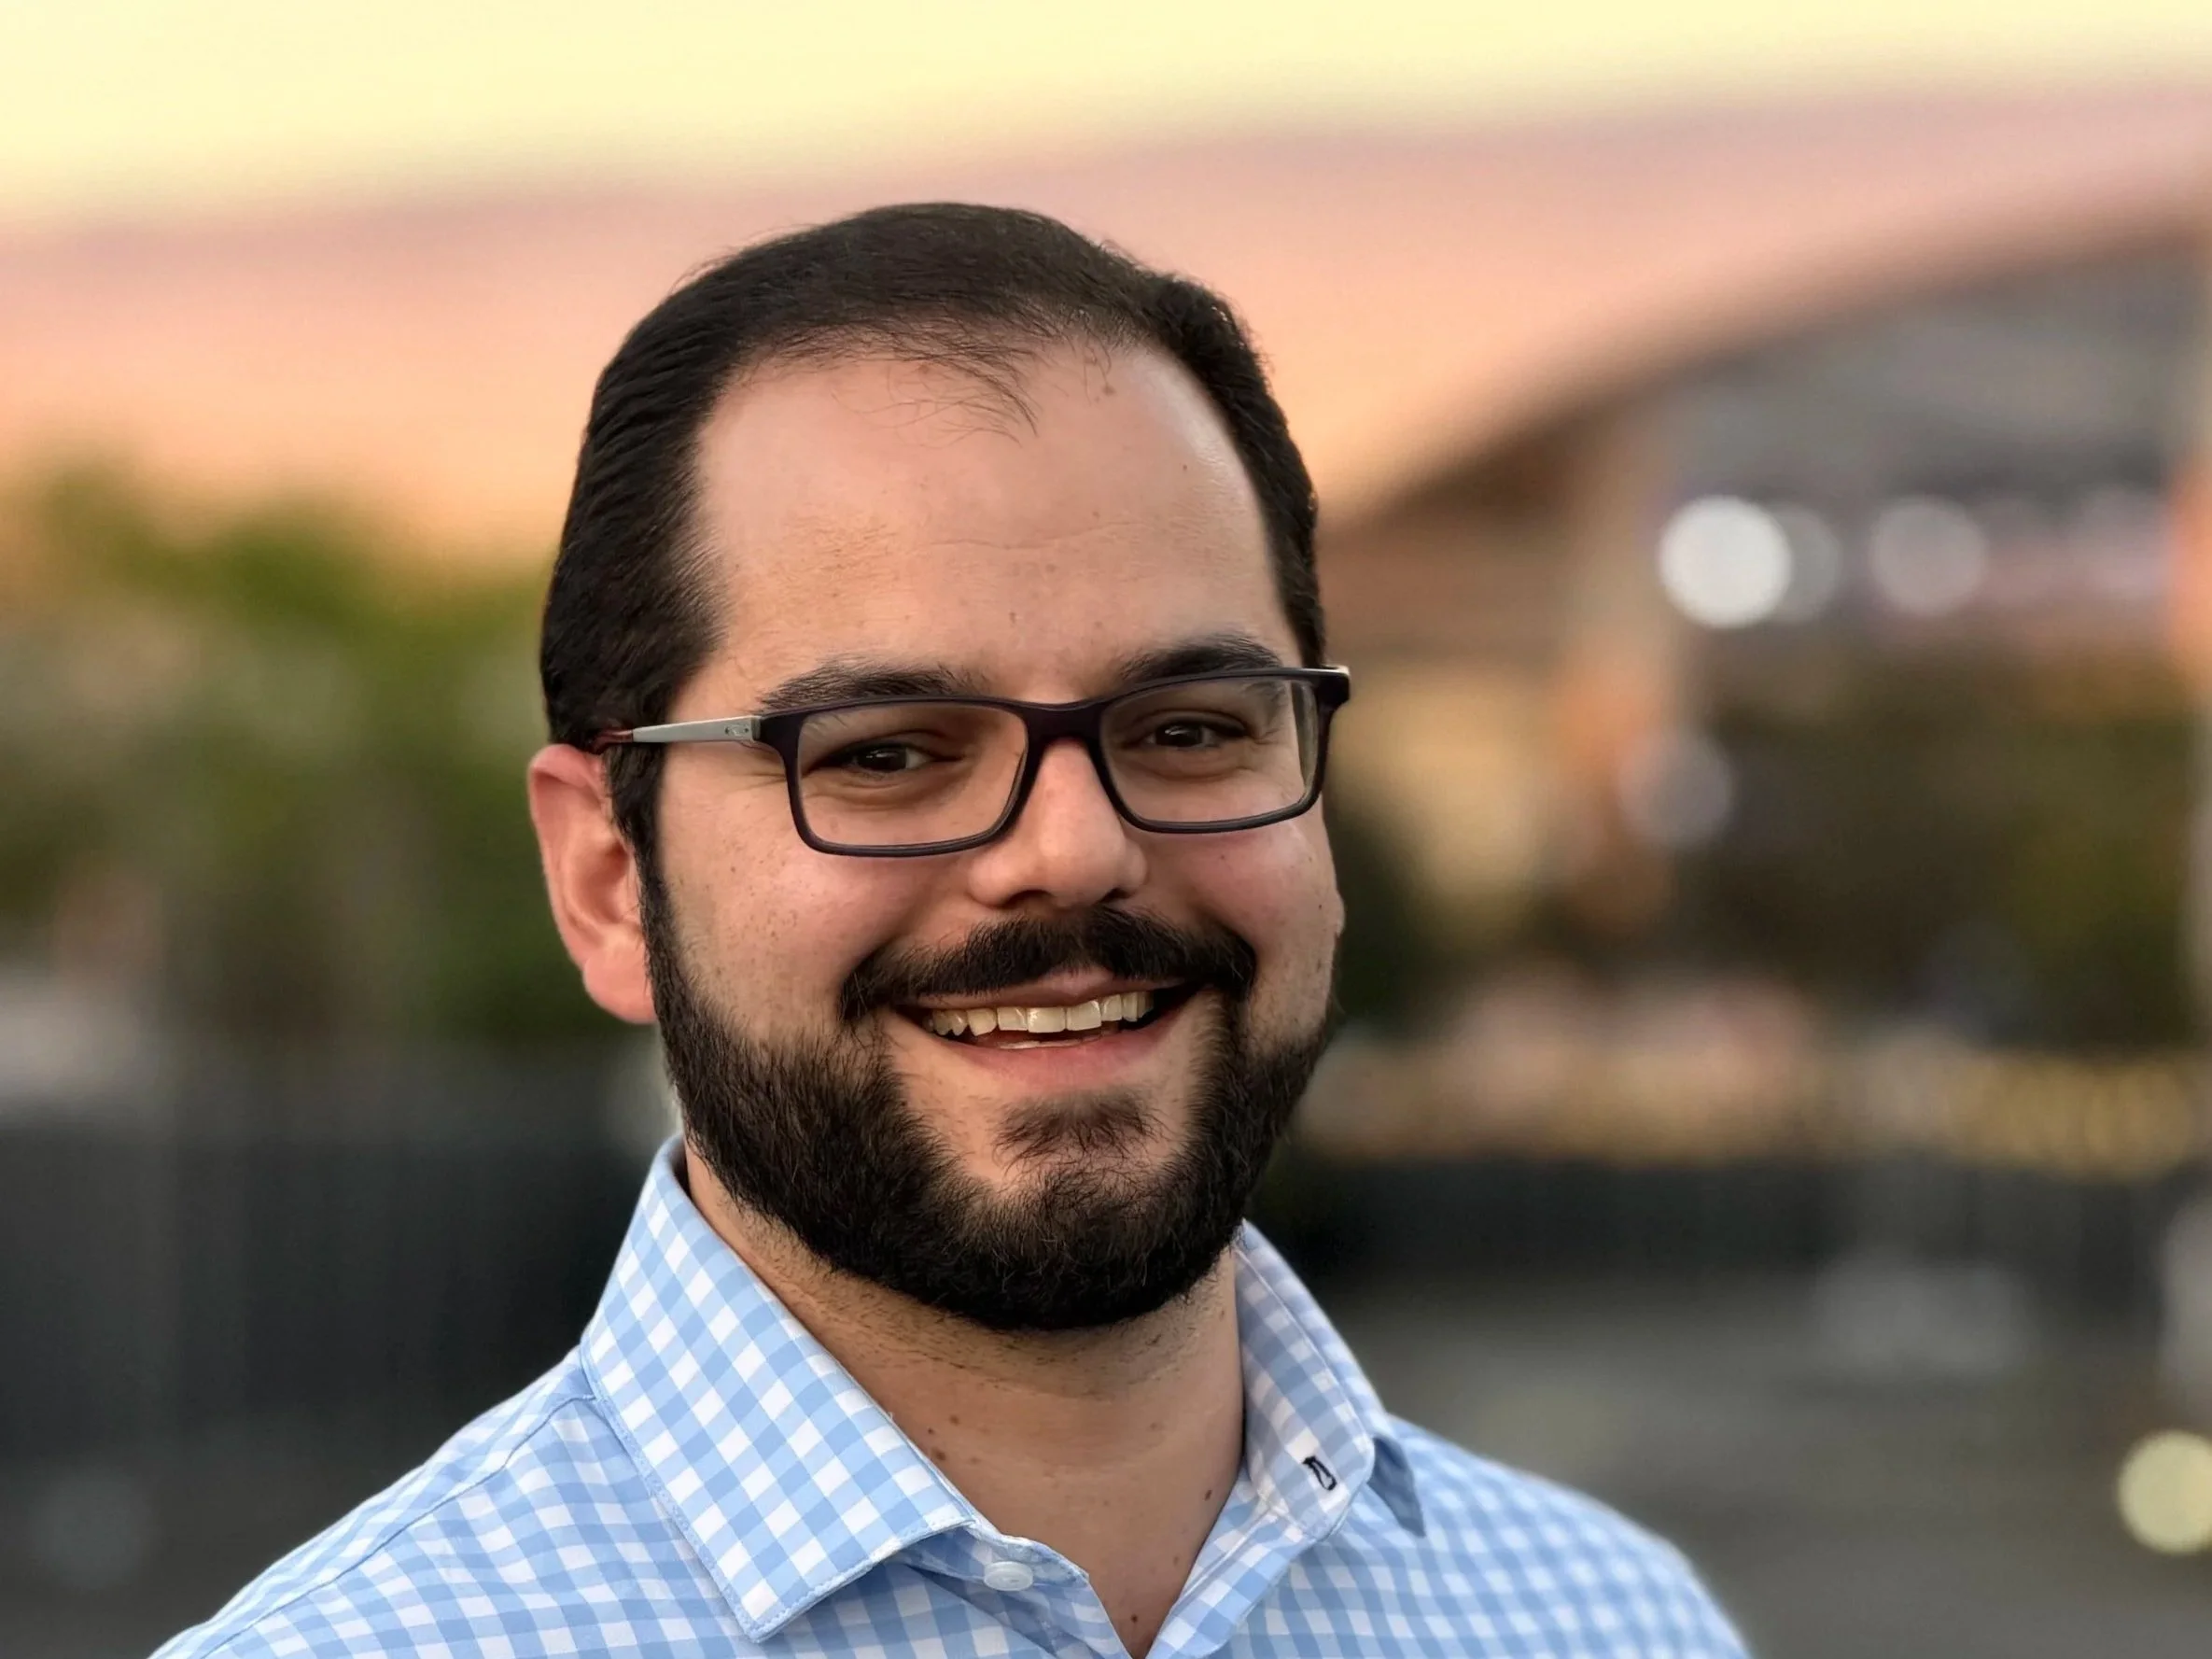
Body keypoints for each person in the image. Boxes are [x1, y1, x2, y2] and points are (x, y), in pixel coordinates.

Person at [156, 204, 1747, 1658]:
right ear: (607, 882)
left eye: (1190, 728)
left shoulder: (1612, 1621)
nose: (1075, 852)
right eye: (888, 756)